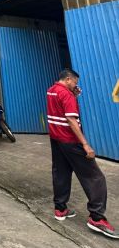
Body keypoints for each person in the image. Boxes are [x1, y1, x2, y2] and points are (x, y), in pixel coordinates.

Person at [47, 68, 117, 238]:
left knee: (61, 173)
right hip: (70, 141)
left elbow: (60, 110)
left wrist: (74, 95)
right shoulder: (66, 94)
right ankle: (97, 218)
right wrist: (85, 145)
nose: (76, 85)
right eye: (75, 82)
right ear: (68, 79)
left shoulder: (51, 90)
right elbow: (71, 119)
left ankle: (60, 208)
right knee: (95, 178)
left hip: (56, 139)